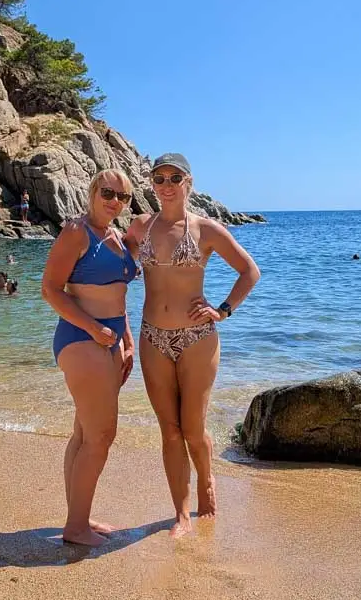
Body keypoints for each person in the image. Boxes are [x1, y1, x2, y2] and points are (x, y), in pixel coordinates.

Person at [123, 153, 260, 538]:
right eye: (159, 178)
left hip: (197, 339)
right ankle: (181, 513)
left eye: (174, 177)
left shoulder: (206, 229)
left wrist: (223, 310)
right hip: (153, 337)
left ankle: (207, 482)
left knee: (193, 429)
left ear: (188, 182)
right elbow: (113, 256)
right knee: (169, 430)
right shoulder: (139, 227)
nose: (166, 185)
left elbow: (250, 271)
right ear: (151, 184)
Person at [41, 169, 137, 547]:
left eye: (123, 197)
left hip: (111, 341)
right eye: (108, 192)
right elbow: (50, 290)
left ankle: (78, 516)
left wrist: (127, 341)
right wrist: (94, 328)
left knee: (83, 434)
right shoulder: (76, 232)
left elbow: (119, 297)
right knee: (101, 435)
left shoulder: (117, 237)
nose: (115, 201)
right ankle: (76, 529)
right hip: (81, 338)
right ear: (93, 192)